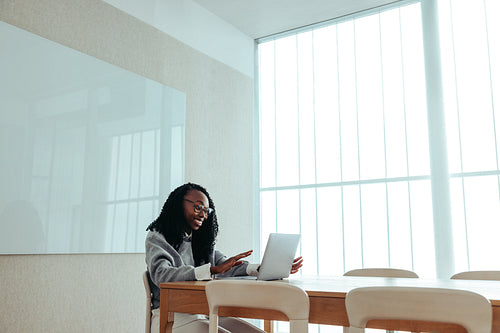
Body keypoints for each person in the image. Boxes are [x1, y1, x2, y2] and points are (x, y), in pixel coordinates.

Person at [145, 182, 303, 333]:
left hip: (204, 311)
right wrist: (211, 270)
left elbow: (225, 265)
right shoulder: (157, 237)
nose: (204, 215)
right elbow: (161, 275)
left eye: (207, 211)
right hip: (171, 317)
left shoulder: (199, 240)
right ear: (180, 203)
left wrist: (263, 268)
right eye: (198, 207)